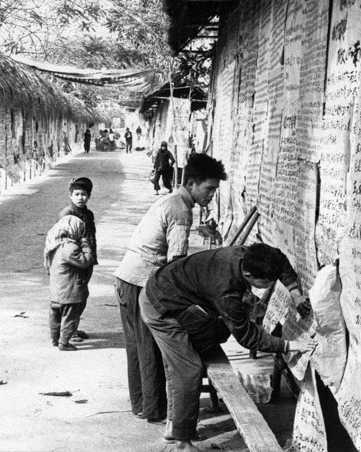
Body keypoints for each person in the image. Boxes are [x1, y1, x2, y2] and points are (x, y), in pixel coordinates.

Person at [139, 243, 316, 451]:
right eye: (265, 282)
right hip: (162, 309)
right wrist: (289, 345)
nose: (268, 286)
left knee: (207, 343)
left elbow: (279, 259)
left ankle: (174, 426)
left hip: (175, 293)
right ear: (248, 274)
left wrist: (295, 292)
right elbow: (248, 337)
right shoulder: (226, 290)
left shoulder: (247, 255)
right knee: (189, 370)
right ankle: (182, 442)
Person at [114, 153, 227, 423]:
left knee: (137, 347)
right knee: (152, 347)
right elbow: (176, 266)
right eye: (208, 189)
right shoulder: (181, 211)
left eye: (215, 190)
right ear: (191, 184)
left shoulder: (170, 200)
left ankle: (141, 405)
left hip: (125, 279)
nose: (212, 195)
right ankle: (155, 411)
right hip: (141, 282)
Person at [44, 215, 94, 351]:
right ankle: (64, 342)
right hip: (70, 292)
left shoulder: (53, 245)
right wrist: (85, 244)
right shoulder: (70, 247)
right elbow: (86, 261)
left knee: (55, 316)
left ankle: (55, 339)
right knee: (70, 317)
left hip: (56, 292)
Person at [58, 177, 98, 341]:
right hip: (73, 262)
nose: (80, 197)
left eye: (84, 194)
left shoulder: (88, 214)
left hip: (86, 260)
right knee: (71, 298)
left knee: (81, 296)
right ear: (71, 196)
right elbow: (62, 242)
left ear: (89, 196)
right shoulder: (67, 214)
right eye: (77, 194)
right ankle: (66, 332)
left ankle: (73, 327)